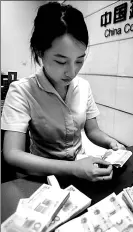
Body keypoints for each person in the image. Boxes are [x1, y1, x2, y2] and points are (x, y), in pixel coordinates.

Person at [1, 1, 125, 182]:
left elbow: (93, 131)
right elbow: (12, 153)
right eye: (61, 61)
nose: (72, 72)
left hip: (83, 173)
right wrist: (72, 168)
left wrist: (110, 142)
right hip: (43, 178)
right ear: (39, 51)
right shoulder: (21, 91)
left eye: (79, 60)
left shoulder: (83, 86)